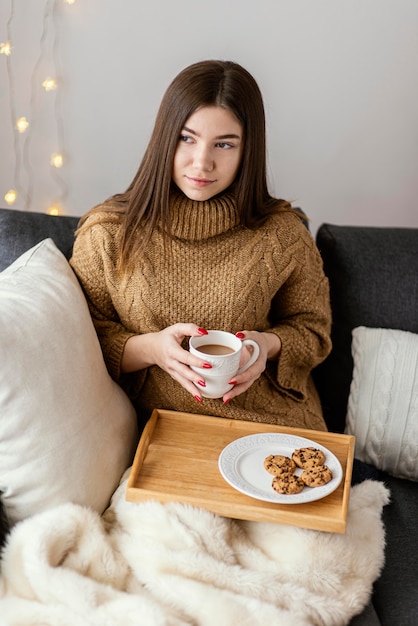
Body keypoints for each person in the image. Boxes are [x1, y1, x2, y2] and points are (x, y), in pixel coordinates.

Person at [70, 59, 332, 432]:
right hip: (163, 433)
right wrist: (153, 349)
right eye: (187, 138)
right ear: (165, 137)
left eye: (224, 144)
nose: (202, 162)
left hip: (271, 425)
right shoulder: (108, 233)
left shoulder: (283, 234)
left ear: (247, 150)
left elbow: (314, 332)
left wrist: (266, 346)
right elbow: (82, 339)